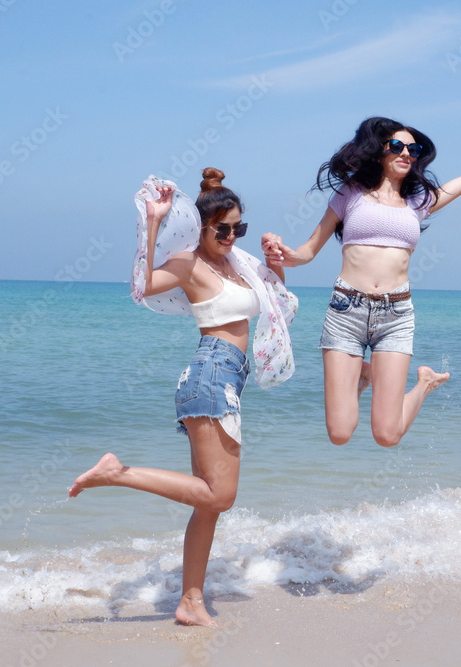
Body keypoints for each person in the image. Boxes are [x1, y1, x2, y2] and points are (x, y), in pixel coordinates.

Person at [69, 168, 296, 628]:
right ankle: (118, 473)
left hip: (229, 376)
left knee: (207, 504)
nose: (232, 236)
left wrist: (276, 263)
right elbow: (142, 286)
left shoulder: (238, 263)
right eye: (223, 229)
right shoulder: (190, 263)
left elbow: (280, 303)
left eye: (240, 227)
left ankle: (191, 602)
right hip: (210, 373)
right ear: (201, 228)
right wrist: (152, 224)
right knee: (220, 496)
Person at [262, 116, 461, 448]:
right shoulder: (350, 193)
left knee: (387, 435)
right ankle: (365, 375)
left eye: (413, 149)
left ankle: (424, 383)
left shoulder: (419, 201)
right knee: (340, 433)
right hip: (346, 311)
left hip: (395, 316)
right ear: (378, 151)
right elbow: (307, 251)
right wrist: (283, 255)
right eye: (397, 146)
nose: (406, 153)